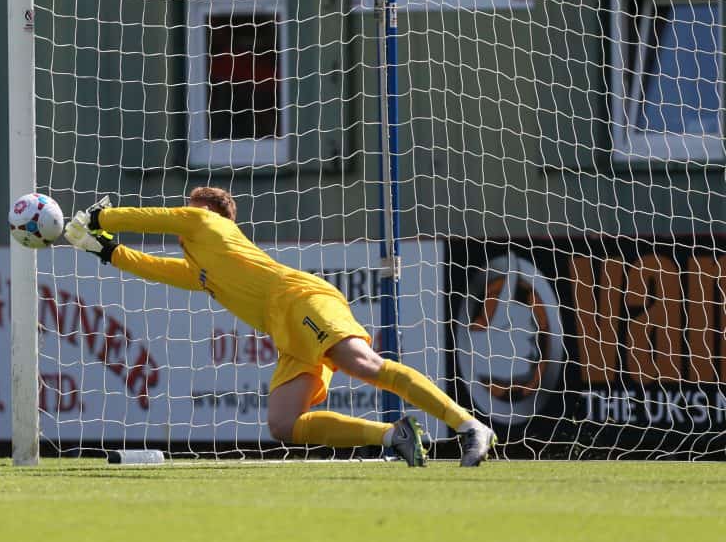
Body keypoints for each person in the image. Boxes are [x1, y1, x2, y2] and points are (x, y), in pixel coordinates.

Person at [64, 186, 497, 467]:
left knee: (361, 364)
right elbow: (155, 268)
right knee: (284, 423)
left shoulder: (207, 223)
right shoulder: (202, 269)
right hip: (286, 331)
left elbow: (159, 218)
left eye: (194, 207)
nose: (187, 214)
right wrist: (103, 250)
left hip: (301, 298)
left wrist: (103, 218)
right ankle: (393, 435)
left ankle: (468, 426)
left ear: (219, 216)